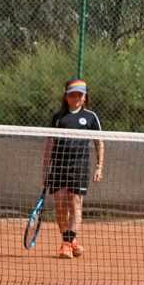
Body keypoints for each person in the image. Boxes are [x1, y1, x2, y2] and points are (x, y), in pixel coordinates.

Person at [42, 78, 105, 259]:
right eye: (72, 94)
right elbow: (49, 144)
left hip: (80, 166)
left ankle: (67, 243)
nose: (75, 97)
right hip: (59, 166)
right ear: (66, 96)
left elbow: (99, 143)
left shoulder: (91, 117)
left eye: (79, 94)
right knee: (60, 204)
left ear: (84, 97)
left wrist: (99, 167)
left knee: (75, 203)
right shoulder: (58, 117)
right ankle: (70, 240)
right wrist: (45, 170)